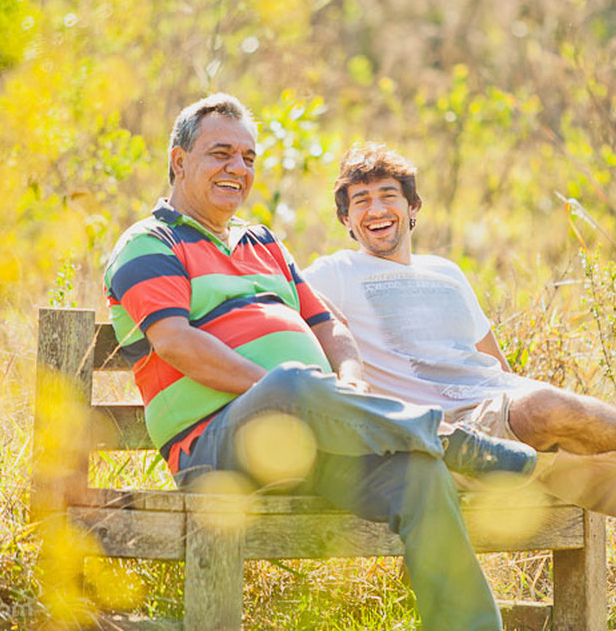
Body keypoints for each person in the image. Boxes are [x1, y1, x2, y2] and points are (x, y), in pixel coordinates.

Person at [103, 95, 534, 631]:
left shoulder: (264, 243)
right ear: (179, 161)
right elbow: (175, 343)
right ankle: (447, 439)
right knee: (291, 384)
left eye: (248, 158)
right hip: (214, 449)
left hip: (311, 443)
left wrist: (346, 384)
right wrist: (288, 394)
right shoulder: (149, 242)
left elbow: (328, 326)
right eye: (221, 154)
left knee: (417, 474)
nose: (238, 169)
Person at [303, 142, 616, 556]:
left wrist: (541, 415)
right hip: (449, 433)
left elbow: (498, 367)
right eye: (360, 201)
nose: (375, 209)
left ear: (413, 207)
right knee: (547, 406)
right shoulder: (335, 272)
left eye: (388, 195)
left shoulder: (446, 272)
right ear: (346, 219)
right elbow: (280, 300)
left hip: (509, 421)